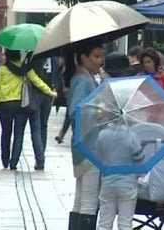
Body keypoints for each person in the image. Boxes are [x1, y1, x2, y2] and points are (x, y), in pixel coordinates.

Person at [96, 52, 143, 230]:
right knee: (125, 222)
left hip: (108, 180)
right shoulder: (131, 134)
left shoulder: (103, 89)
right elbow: (138, 155)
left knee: (104, 221)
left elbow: (99, 156)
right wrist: (140, 169)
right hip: (128, 182)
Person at [0, 49, 57, 170]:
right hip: (20, 105)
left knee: (6, 133)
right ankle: (14, 162)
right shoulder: (25, 69)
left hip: (5, 105)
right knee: (19, 134)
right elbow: (37, 81)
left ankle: (5, 159)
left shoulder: (2, 69)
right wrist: (50, 92)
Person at [64, 43, 104, 230]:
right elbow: (75, 111)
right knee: (89, 200)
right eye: (96, 56)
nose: (100, 61)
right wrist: (99, 112)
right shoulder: (83, 79)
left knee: (81, 199)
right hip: (89, 145)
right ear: (83, 58)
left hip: (84, 143)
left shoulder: (85, 76)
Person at [31, 56, 59, 153]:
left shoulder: (35, 56)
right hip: (48, 92)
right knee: (43, 124)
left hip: (36, 92)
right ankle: (42, 151)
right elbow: (57, 73)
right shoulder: (54, 57)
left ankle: (39, 156)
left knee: (36, 126)